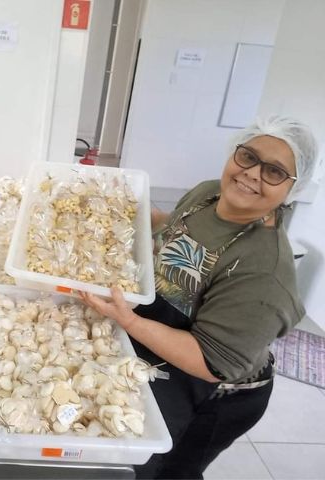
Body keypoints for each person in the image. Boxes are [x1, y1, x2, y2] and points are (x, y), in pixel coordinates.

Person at [80, 115, 319, 479]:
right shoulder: (209, 194)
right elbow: (174, 227)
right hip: (168, 347)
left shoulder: (264, 272)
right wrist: (127, 211)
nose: (252, 174)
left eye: (274, 171)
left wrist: (128, 320)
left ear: (293, 187)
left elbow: (211, 360)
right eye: (248, 156)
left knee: (170, 470)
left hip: (218, 391)